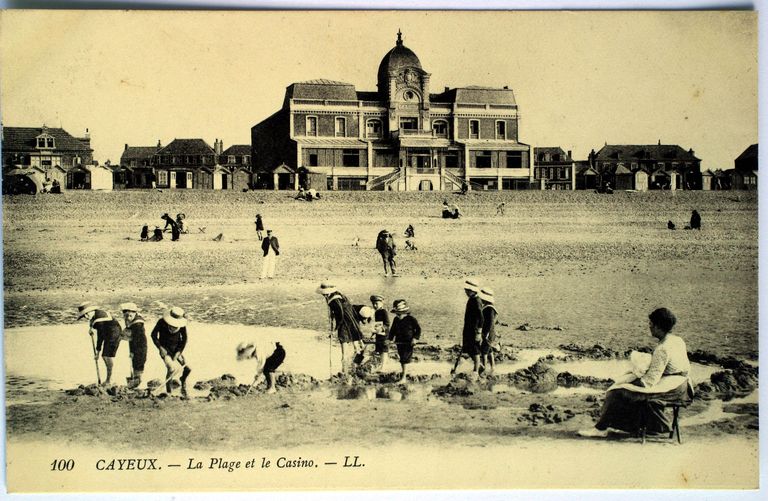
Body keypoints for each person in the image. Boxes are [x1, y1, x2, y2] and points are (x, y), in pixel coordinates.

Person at [578, 308, 693, 438]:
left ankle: (601, 428)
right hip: (683, 386)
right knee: (626, 390)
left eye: (651, 324)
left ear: (658, 326)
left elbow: (648, 382)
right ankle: (631, 426)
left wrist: (627, 382)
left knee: (616, 392)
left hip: (673, 389)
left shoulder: (662, 349)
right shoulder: (677, 340)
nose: (649, 326)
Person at [316, 282, 365, 373]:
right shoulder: (337, 295)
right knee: (355, 338)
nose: (323, 295)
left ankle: (344, 362)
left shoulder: (334, 300)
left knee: (343, 338)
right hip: (351, 318)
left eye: (324, 293)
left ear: (327, 292)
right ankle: (356, 363)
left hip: (345, 320)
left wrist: (336, 328)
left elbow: (340, 314)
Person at [151, 306, 192, 397]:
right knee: (171, 369)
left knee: (188, 368)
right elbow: (153, 335)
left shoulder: (182, 325)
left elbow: (184, 339)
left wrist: (179, 352)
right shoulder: (161, 322)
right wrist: (160, 348)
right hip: (165, 350)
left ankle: (183, 380)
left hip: (176, 350)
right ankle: (169, 392)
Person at [77, 302, 122, 385]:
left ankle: (109, 380)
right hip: (110, 334)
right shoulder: (97, 314)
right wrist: (91, 328)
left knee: (106, 356)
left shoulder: (98, 319)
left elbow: (100, 336)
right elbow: (97, 327)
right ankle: (110, 379)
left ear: (91, 310)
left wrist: (98, 351)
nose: (86, 317)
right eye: (84, 316)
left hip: (114, 335)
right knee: (106, 356)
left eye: (86, 314)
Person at [451, 279, 484, 379]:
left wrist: (479, 331)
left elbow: (481, 318)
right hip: (468, 329)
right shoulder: (471, 299)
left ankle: (476, 371)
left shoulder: (477, 301)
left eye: (467, 290)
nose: (465, 292)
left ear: (472, 290)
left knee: (475, 350)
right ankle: (480, 366)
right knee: (468, 348)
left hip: (474, 330)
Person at [387, 299, 421, 382]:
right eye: (397, 313)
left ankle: (404, 378)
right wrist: (389, 339)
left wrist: (415, 338)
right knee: (402, 358)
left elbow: (418, 329)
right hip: (399, 342)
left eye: (400, 314)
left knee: (405, 358)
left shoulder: (411, 319)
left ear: (405, 312)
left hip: (409, 342)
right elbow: (392, 330)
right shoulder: (396, 320)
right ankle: (404, 373)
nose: (398, 315)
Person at [120, 302, 147, 388]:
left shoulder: (138, 324)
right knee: (135, 362)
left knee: (138, 362)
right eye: (125, 314)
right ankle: (136, 379)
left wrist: (132, 351)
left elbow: (136, 340)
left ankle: (137, 380)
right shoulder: (132, 320)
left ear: (134, 312)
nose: (127, 317)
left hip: (140, 346)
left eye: (129, 314)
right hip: (135, 344)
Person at [478, 288, 498, 375]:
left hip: (488, 333)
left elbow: (490, 323)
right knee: (489, 350)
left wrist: (485, 334)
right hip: (490, 332)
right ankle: (493, 367)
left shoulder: (489, 309)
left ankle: (484, 367)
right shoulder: (489, 308)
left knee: (484, 351)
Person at [370, 294, 391, 371]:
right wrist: (374, 332)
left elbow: (387, 324)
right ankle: (382, 365)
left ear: (382, 303)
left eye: (377, 304)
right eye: (373, 304)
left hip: (384, 334)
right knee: (379, 349)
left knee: (384, 350)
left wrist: (381, 329)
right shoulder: (376, 312)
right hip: (379, 334)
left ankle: (384, 366)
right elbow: (377, 324)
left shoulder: (384, 311)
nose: (375, 305)